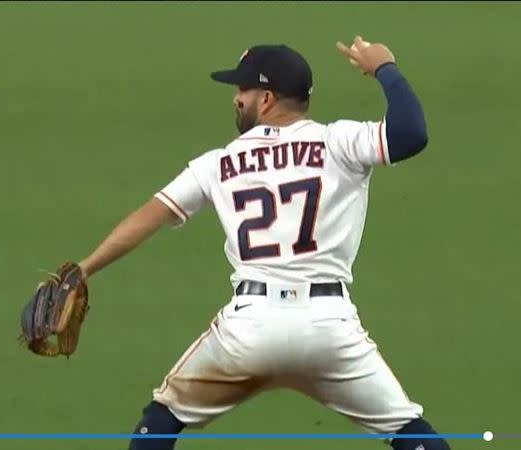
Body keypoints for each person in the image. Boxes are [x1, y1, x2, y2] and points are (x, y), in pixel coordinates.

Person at [76, 36, 448, 450]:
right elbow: (410, 133)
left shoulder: (218, 163)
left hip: (248, 330)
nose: (236, 99)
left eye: (243, 90)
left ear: (266, 99)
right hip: (330, 329)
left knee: (159, 422)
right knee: (411, 434)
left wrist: (85, 268)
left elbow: (148, 217)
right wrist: (385, 67)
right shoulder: (339, 142)